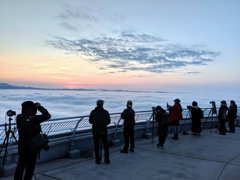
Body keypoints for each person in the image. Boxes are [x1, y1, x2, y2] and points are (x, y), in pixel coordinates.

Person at [14, 101, 51, 180]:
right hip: (32, 147)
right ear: (33, 109)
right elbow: (47, 115)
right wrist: (39, 107)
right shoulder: (35, 118)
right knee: (30, 168)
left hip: (22, 146)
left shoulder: (19, 117)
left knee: (20, 166)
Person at [89, 99, 111, 164]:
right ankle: (106, 160)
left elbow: (90, 121)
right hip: (103, 131)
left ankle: (97, 160)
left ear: (97, 104)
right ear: (102, 104)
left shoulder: (93, 112)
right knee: (106, 146)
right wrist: (103, 123)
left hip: (95, 131)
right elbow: (108, 121)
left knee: (96, 146)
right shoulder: (106, 112)